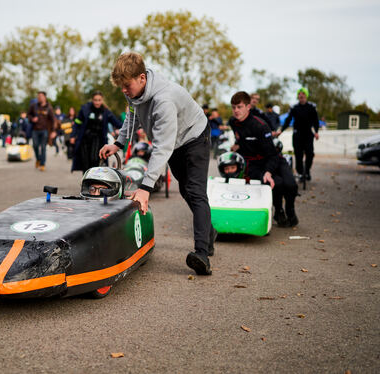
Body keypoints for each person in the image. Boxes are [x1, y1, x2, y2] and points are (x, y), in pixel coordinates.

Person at [99, 52, 217, 275]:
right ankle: (209, 231)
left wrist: (145, 188)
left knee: (196, 191)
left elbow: (162, 147)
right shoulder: (133, 93)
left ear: (142, 78)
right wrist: (118, 143)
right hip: (174, 141)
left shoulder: (164, 99)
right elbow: (132, 115)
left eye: (127, 85)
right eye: (121, 86)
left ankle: (202, 253)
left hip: (194, 137)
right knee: (185, 190)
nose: (124, 90)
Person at [229, 91, 298, 227]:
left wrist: (268, 171)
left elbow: (272, 154)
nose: (236, 111)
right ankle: (278, 211)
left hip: (273, 158)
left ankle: (290, 210)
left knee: (291, 185)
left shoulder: (260, 125)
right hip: (253, 164)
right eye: (233, 107)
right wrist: (238, 145)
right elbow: (241, 139)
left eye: (239, 107)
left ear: (248, 107)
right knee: (276, 183)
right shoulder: (233, 122)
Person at [71, 91, 122, 173]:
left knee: (95, 160)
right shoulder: (85, 109)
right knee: (85, 162)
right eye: (95, 100)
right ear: (92, 100)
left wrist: (131, 126)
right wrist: (73, 135)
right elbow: (77, 123)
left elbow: (118, 123)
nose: (97, 102)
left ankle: (94, 182)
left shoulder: (106, 112)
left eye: (99, 100)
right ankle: (86, 181)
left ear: (102, 100)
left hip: (99, 142)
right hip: (85, 140)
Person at [277, 87, 320, 181]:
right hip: (297, 134)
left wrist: (316, 132)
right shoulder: (294, 107)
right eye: (300, 94)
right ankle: (300, 173)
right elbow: (288, 120)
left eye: (303, 94)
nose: (301, 96)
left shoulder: (312, 107)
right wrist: (281, 130)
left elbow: (316, 120)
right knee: (298, 154)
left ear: (306, 96)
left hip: (308, 134)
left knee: (310, 153)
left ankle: (307, 171)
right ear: (298, 96)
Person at [28, 91, 56, 171]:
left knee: (43, 147)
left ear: (44, 97)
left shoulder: (49, 108)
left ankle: (42, 164)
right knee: (35, 146)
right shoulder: (34, 106)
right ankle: (38, 159)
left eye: (41, 96)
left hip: (44, 131)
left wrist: (53, 131)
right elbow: (28, 115)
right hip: (35, 130)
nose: (39, 98)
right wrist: (32, 119)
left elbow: (53, 120)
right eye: (38, 96)